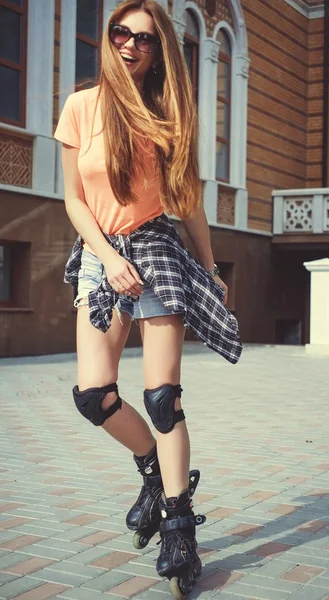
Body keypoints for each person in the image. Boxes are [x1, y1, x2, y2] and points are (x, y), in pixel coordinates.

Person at [54, 1, 242, 597]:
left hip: (159, 248)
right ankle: (155, 478)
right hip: (99, 257)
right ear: (109, 40)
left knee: (162, 399)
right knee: (93, 395)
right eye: (121, 33)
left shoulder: (168, 116)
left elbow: (188, 202)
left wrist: (209, 270)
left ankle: (181, 526)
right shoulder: (81, 106)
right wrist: (108, 260)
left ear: (161, 51)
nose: (131, 45)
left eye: (146, 38)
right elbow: (74, 201)